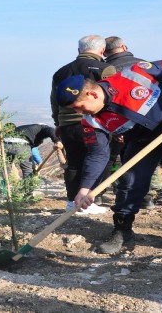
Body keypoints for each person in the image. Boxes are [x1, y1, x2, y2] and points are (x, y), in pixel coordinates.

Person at [56, 58, 162, 254]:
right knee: (130, 181)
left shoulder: (134, 74)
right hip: (144, 139)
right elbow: (98, 154)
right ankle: (122, 231)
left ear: (92, 93)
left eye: (79, 107)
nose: (79, 112)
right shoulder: (91, 120)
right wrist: (84, 189)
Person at [50, 35, 116, 214]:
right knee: (99, 158)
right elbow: (113, 96)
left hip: (67, 124)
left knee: (73, 162)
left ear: (79, 50)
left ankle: (72, 201)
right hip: (95, 123)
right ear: (102, 50)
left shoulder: (61, 72)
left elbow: (54, 101)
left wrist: (58, 122)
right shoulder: (105, 68)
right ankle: (90, 201)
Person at [103, 36, 155, 209]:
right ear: (124, 47)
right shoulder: (144, 65)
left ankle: (100, 197)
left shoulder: (107, 69)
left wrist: (114, 129)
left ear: (104, 51)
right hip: (146, 123)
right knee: (141, 161)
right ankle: (145, 198)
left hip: (117, 123)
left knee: (108, 159)